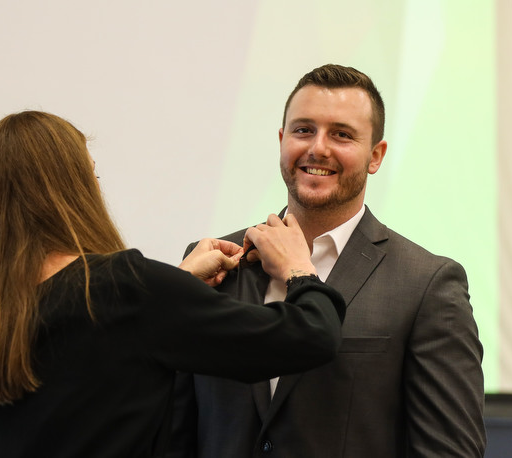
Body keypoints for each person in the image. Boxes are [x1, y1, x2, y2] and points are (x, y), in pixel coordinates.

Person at [0, 110, 348, 457]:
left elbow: (94, 368)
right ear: (71, 190)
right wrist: (299, 267)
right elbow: (310, 336)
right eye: (90, 174)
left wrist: (176, 283)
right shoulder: (126, 286)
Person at [172, 64, 486, 457]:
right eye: (304, 130)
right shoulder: (212, 264)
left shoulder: (427, 285)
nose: (317, 147)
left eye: (341, 134)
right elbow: (172, 432)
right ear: (282, 139)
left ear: (376, 155)